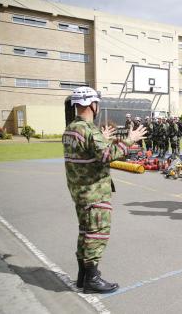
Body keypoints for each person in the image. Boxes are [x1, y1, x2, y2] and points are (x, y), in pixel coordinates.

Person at [63, 87, 147, 293]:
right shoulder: (88, 130)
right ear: (92, 104)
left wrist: (104, 137)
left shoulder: (72, 128)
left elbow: (91, 152)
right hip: (94, 192)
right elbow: (106, 155)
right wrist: (131, 139)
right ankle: (92, 279)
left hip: (80, 192)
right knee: (97, 233)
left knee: (85, 232)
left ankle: (84, 275)